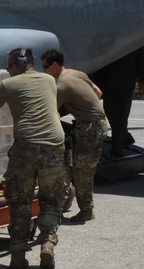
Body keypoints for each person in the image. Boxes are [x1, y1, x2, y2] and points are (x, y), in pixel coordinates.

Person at [0, 48, 66, 269]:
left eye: (10, 65)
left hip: (26, 147)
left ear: (22, 63)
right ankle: (48, 243)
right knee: (51, 198)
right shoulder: (49, 80)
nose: (7, 69)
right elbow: (22, 94)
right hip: (54, 146)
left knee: (20, 200)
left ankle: (18, 254)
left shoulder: (9, 86)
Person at [41, 49, 108, 223]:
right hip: (96, 124)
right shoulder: (78, 74)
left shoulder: (61, 85)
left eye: (46, 67)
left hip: (89, 127)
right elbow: (99, 94)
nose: (44, 71)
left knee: (82, 170)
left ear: (55, 65)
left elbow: (49, 112)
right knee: (76, 166)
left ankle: (86, 210)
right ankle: (68, 203)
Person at [92, 47, 144, 157]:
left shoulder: (134, 42)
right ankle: (123, 135)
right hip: (109, 81)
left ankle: (117, 146)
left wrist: (142, 81)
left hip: (126, 82)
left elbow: (142, 60)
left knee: (121, 114)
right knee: (109, 111)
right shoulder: (111, 41)